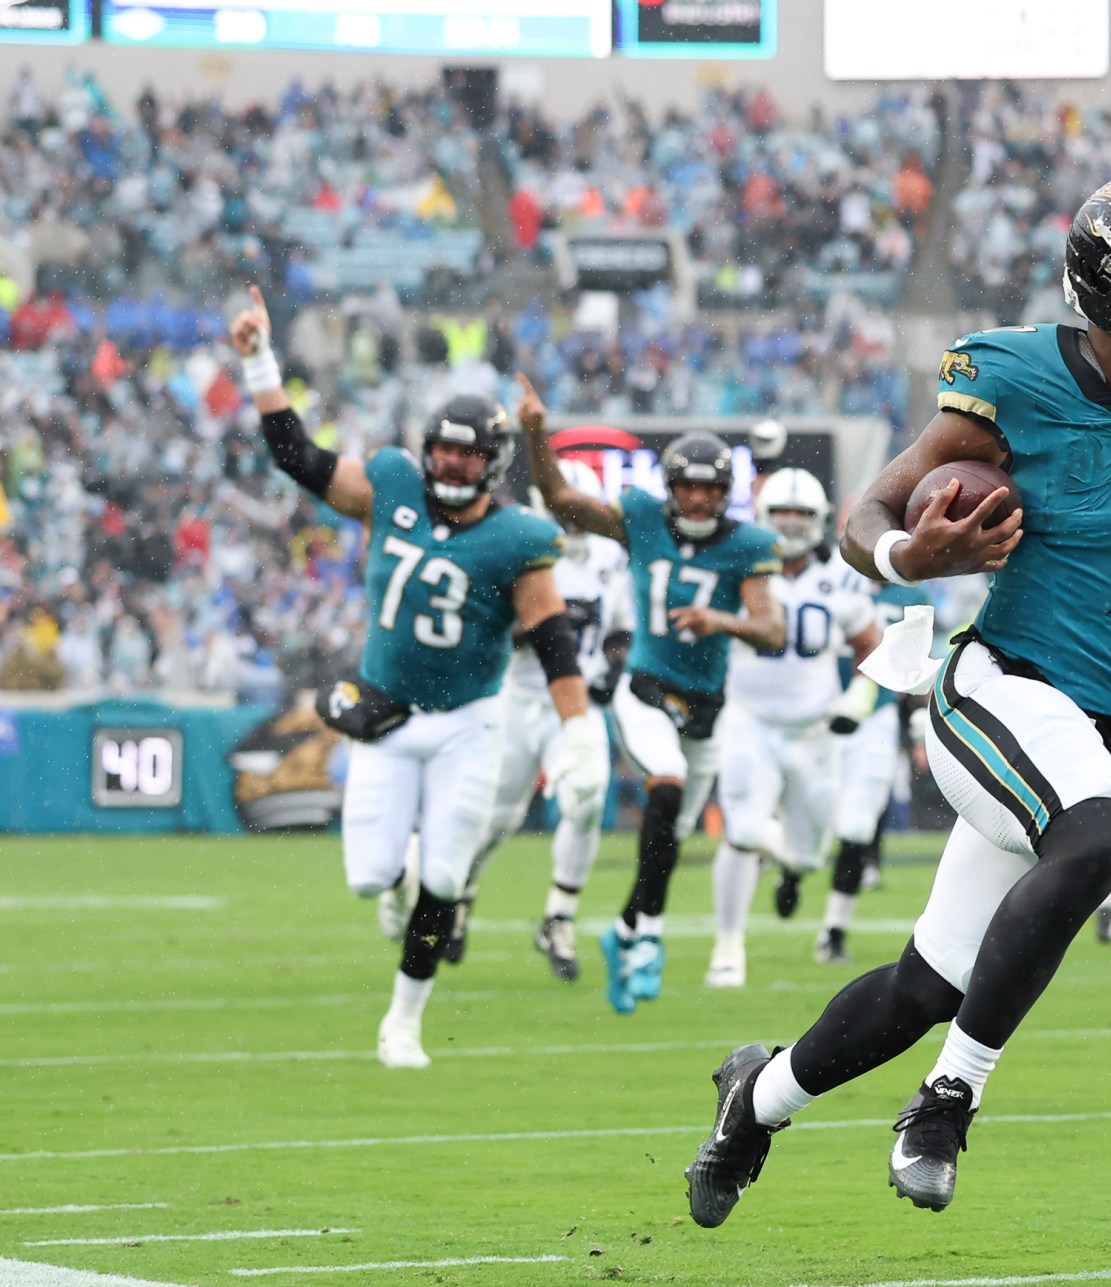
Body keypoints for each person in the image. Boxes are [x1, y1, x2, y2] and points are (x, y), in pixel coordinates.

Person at [683, 169, 1111, 1222]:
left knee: (927, 985)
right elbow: (865, 513)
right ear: (1110, 287)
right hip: (1003, 687)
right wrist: (908, 559)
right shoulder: (1015, 377)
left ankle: (758, 1094)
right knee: (1097, 841)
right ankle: (950, 1100)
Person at [229, 287, 605, 1068]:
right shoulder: (393, 484)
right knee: (373, 878)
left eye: (468, 452)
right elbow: (298, 457)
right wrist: (259, 359)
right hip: (386, 714)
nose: (451, 462)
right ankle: (396, 884)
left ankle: (403, 1021)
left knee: (444, 873)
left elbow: (554, 638)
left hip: (469, 720)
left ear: (492, 461)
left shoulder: (517, 536)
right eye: (444, 448)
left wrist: (578, 730)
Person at [517, 384, 786, 1014]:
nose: (698, 498)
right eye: (688, 486)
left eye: (710, 488)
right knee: (662, 789)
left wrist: (723, 623)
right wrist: (536, 431)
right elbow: (561, 500)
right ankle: (650, 939)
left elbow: (770, 629)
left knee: (672, 836)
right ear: (669, 486)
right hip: (646, 687)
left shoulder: (748, 545)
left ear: (727, 494)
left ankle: (629, 927)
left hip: (707, 707)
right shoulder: (639, 518)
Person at [446, 456, 633, 980]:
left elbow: (620, 630)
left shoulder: (609, 559)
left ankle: (560, 916)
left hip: (576, 706)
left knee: (588, 797)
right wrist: (546, 628)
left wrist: (611, 666)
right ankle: (460, 892)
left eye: (581, 515)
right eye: (566, 515)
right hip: (518, 699)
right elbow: (493, 634)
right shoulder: (520, 550)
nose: (574, 526)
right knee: (496, 817)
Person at [706, 468, 884, 988]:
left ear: (820, 521)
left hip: (814, 731)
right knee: (739, 828)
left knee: (810, 855)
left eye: (801, 515)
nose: (790, 524)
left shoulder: (844, 578)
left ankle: (787, 866)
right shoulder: (737, 569)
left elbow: (870, 646)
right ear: (762, 519)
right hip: (749, 719)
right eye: (781, 514)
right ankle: (727, 950)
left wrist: (860, 694)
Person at [818, 566, 929, 965]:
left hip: (876, 719)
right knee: (812, 831)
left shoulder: (911, 597)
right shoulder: (826, 580)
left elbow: (916, 669)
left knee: (857, 826)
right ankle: (793, 868)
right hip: (818, 717)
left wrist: (918, 726)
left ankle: (834, 930)